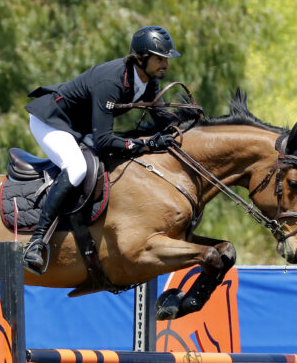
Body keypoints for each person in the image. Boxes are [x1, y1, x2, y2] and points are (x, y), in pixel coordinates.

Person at [21, 25, 182, 274]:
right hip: (52, 120)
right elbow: (105, 141)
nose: (166, 65)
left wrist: (189, 126)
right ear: (142, 58)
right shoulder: (112, 81)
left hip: (80, 126)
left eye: (166, 59)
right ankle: (36, 242)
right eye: (160, 58)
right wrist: (148, 144)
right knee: (76, 168)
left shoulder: (148, 81)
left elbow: (163, 117)